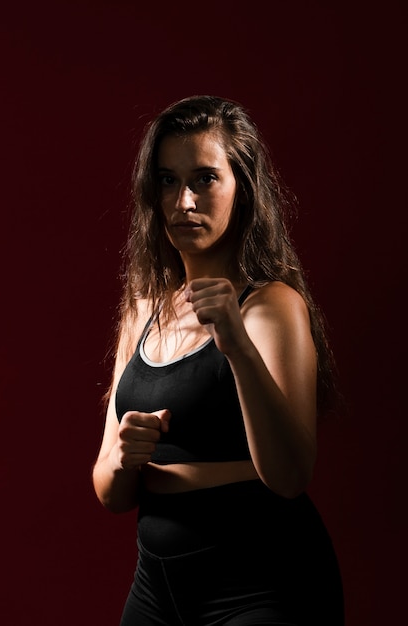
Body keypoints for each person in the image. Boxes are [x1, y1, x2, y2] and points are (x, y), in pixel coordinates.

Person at [92, 95, 345, 626]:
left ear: (242, 189)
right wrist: (124, 455)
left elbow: (290, 474)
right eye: (167, 180)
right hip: (155, 584)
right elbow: (110, 491)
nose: (183, 200)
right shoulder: (143, 308)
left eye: (205, 178)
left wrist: (236, 342)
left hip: (260, 581)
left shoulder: (271, 306)